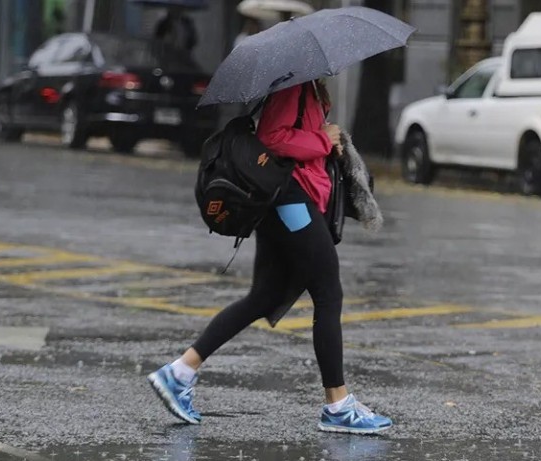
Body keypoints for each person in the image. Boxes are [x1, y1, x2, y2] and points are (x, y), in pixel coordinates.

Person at [148, 80, 393, 435]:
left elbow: (298, 137)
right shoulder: (292, 86)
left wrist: (328, 140)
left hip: (292, 199)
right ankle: (338, 405)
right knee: (328, 293)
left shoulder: (309, 86)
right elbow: (273, 138)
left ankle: (180, 372)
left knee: (264, 296)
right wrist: (323, 139)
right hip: (290, 200)